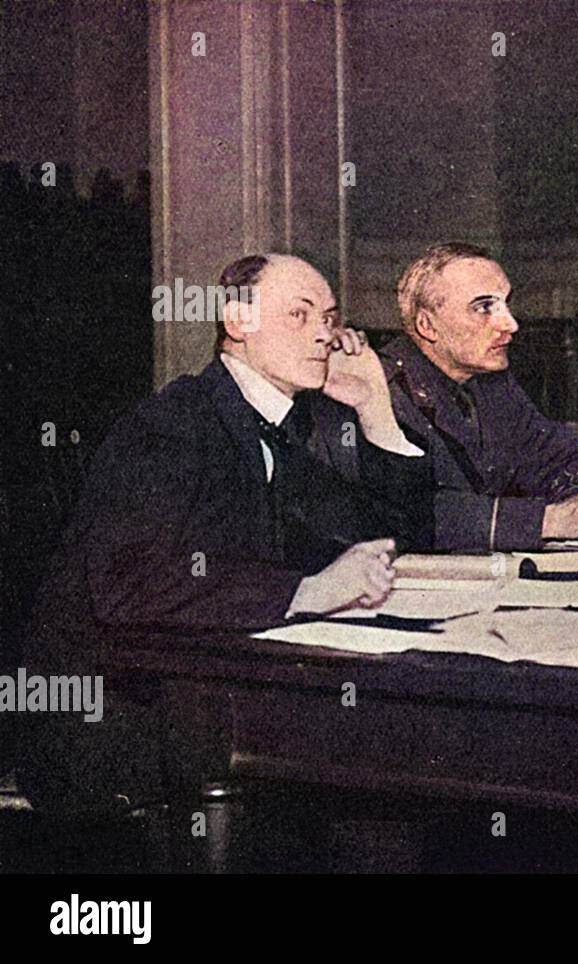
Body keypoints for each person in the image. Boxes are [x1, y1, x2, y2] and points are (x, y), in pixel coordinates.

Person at [21, 253, 431, 815]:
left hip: (211, 690)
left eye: (331, 319)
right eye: (300, 315)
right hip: (115, 719)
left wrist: (375, 409)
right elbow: (128, 583)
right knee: (379, 768)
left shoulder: (283, 426)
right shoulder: (174, 424)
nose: (324, 336)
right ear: (238, 322)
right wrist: (306, 592)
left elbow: (388, 539)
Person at [376, 241, 578, 552]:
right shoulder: (378, 392)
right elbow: (400, 513)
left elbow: (558, 454)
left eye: (505, 304)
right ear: (427, 325)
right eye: (484, 307)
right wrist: (546, 521)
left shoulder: (490, 384)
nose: (510, 324)